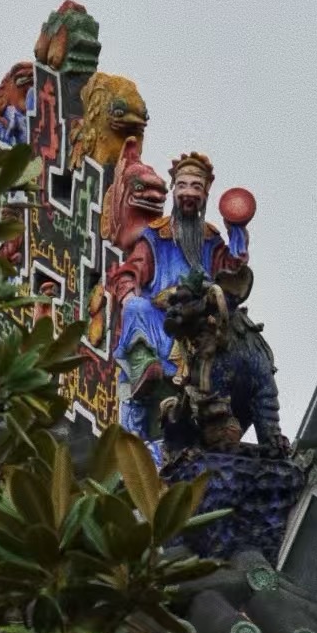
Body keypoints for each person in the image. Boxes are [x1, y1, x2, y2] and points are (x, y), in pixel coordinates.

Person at [106, 152, 250, 436]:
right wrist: (128, 294)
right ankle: (141, 369)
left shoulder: (210, 239)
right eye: (182, 185)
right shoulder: (155, 236)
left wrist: (237, 229)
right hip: (160, 319)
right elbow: (129, 272)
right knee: (135, 308)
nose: (188, 193)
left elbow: (232, 272)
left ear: (205, 194)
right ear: (174, 190)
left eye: (196, 187)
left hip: (198, 322)